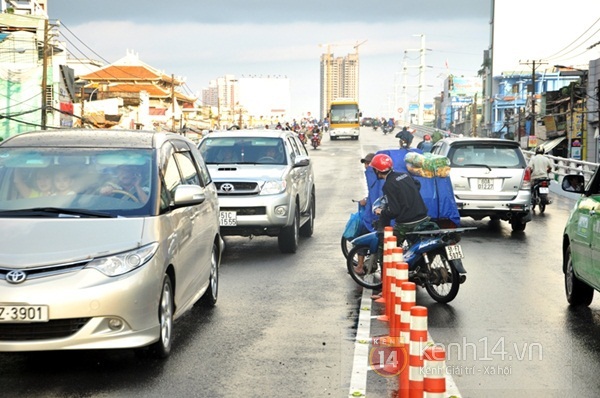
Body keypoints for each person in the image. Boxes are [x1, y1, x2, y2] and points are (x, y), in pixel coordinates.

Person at [370, 153, 429, 245]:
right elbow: (417, 185)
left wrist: (381, 212)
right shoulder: (404, 175)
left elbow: (394, 211)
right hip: (423, 217)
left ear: (377, 171)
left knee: (387, 245)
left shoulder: (388, 185)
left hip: (407, 223)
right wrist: (407, 197)